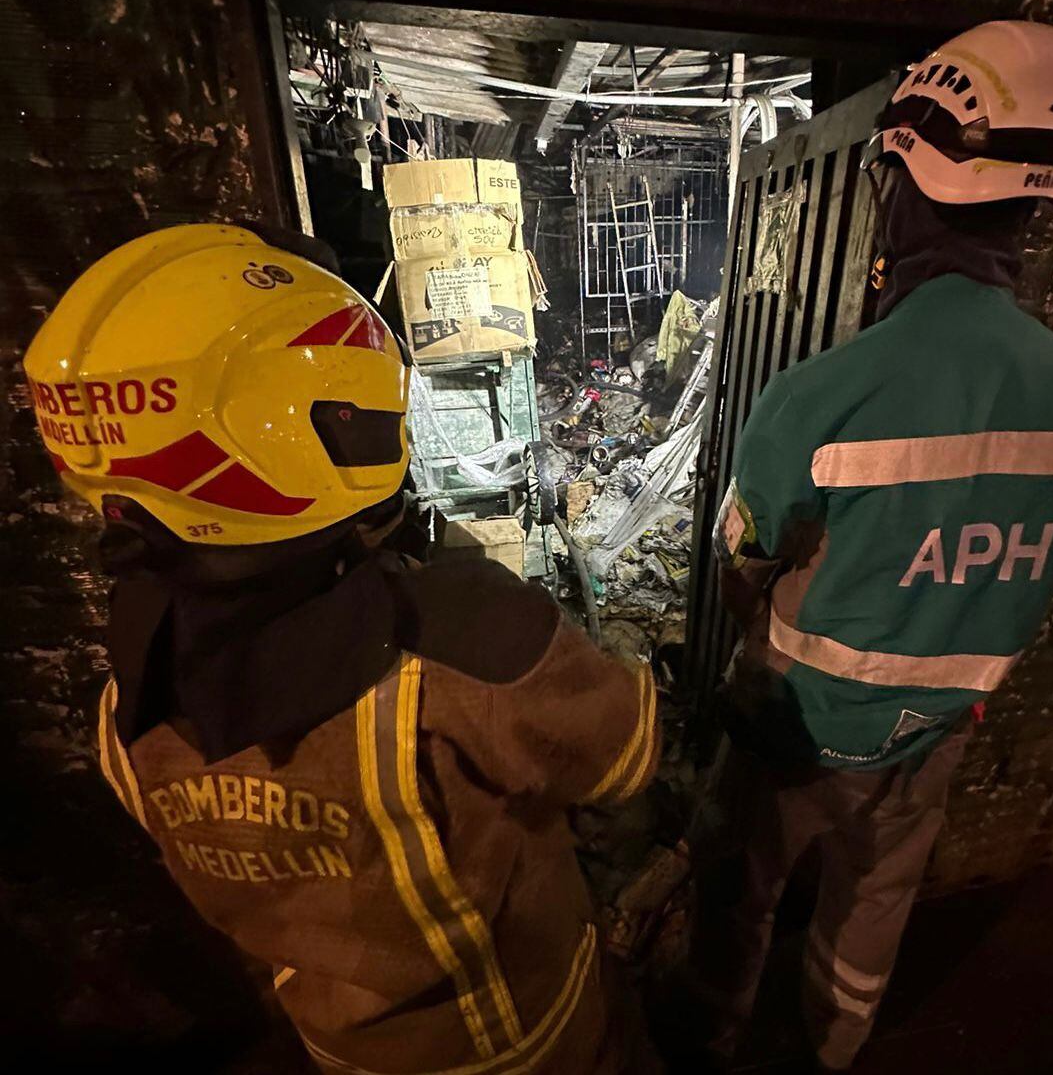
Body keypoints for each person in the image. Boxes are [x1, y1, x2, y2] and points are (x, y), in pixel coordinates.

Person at [23, 223, 661, 1074]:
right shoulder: (465, 642)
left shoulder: (123, 708)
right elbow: (623, 760)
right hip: (523, 1029)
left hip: (341, 1047)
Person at [683, 21, 1053, 1071]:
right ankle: (833, 1050)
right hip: (937, 738)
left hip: (798, 732)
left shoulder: (818, 396)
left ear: (904, 179)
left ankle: (707, 1040)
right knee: (870, 914)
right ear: (1037, 205)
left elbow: (742, 567)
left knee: (734, 895)